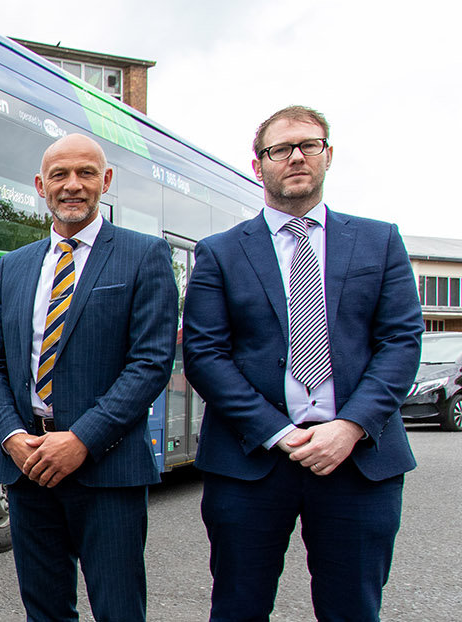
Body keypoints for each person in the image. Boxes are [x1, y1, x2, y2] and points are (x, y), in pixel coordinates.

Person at [183, 106, 422, 622]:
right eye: (280, 149)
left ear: (328, 155)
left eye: (308, 145)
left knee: (353, 610)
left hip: (357, 462)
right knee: (237, 609)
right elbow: (204, 354)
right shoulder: (220, 253)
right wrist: (278, 431)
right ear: (258, 165)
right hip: (251, 463)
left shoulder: (379, 241)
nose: (295, 156)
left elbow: (401, 342)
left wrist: (350, 426)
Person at [0, 133, 177, 621]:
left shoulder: (144, 255)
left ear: (105, 181)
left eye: (86, 173)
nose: (73, 185)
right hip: (28, 469)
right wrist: (13, 437)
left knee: (118, 609)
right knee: (44, 611)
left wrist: (82, 439)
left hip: (107, 470)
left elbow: (150, 363)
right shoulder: (14, 267)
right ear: (41, 185)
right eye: (60, 175)